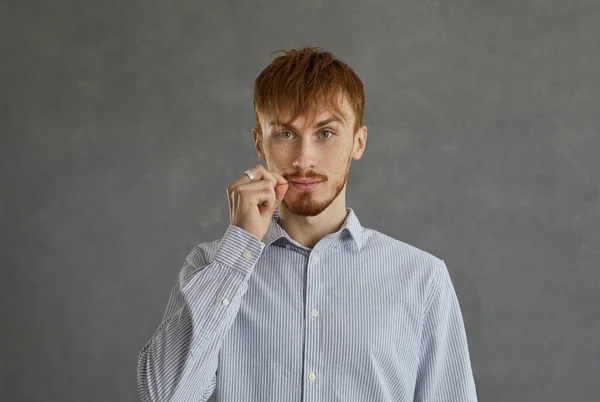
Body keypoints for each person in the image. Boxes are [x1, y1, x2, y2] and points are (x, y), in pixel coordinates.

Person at [137, 46, 478, 402]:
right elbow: (163, 397)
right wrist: (239, 247)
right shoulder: (209, 267)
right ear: (259, 142)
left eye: (326, 133)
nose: (303, 160)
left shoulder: (422, 279)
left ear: (358, 142)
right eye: (286, 134)